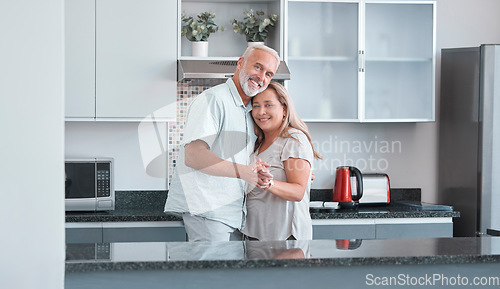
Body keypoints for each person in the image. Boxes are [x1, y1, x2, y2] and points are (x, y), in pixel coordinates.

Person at [164, 44, 279, 242]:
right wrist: (244, 172)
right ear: (241, 63)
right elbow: (193, 156)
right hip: (208, 211)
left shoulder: (250, 110)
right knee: (211, 274)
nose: (262, 78)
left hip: (233, 215)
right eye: (258, 67)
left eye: (269, 74)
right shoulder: (213, 99)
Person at [242, 82, 322, 241]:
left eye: (268, 105)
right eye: (256, 106)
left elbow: (298, 192)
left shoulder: (294, 139)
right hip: (257, 235)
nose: (261, 112)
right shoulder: (259, 143)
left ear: (284, 109)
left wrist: (268, 183)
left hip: (285, 236)